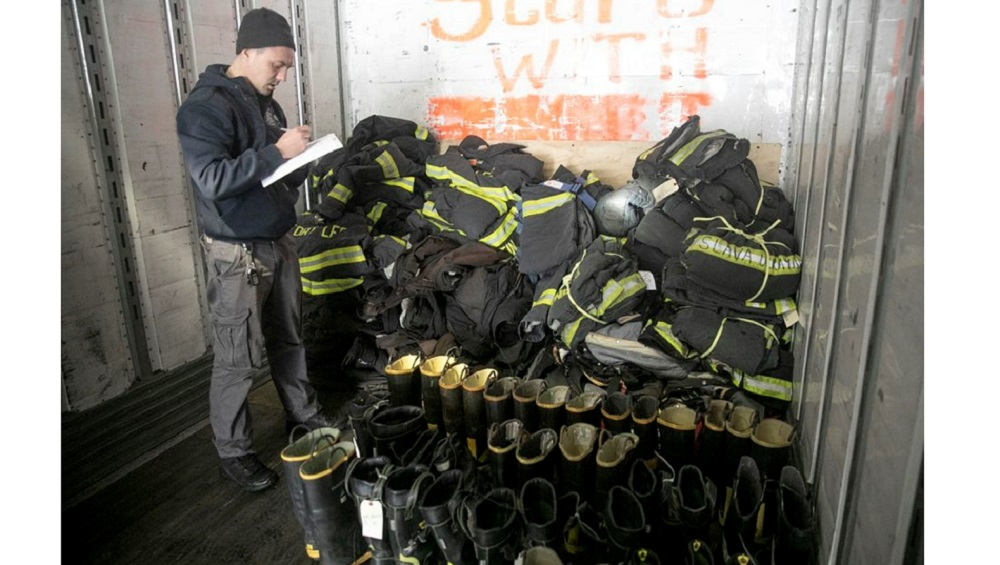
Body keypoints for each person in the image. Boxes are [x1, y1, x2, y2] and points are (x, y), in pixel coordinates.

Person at [176, 7, 336, 492]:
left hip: (278, 242)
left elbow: (272, 175)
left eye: (287, 67)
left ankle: (303, 415)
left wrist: (302, 160)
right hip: (238, 254)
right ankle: (235, 451)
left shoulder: (267, 106)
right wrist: (277, 152)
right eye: (276, 65)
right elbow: (212, 179)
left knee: (289, 338)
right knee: (238, 357)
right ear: (247, 52)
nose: (282, 77)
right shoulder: (204, 108)